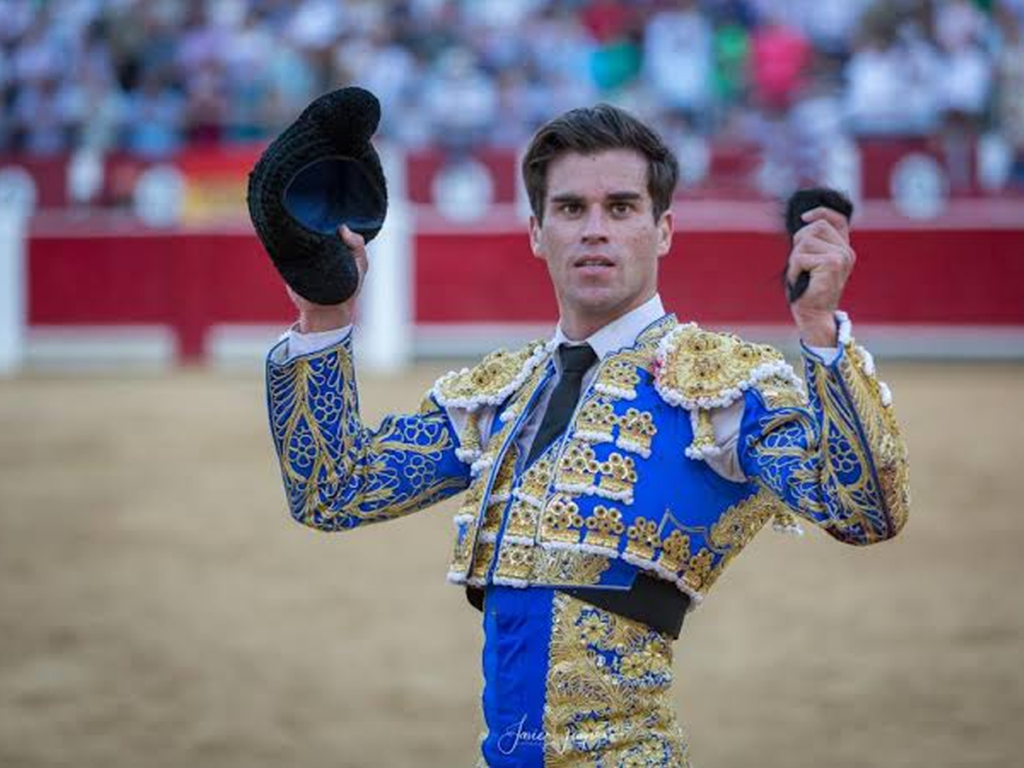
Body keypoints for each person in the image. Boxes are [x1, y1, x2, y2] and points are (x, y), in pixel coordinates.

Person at [264, 104, 909, 767]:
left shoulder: (718, 387)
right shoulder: (500, 394)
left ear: (662, 231)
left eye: (622, 208)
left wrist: (821, 332)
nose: (595, 231)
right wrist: (325, 316)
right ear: (537, 233)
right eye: (571, 209)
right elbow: (336, 492)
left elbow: (863, 512)